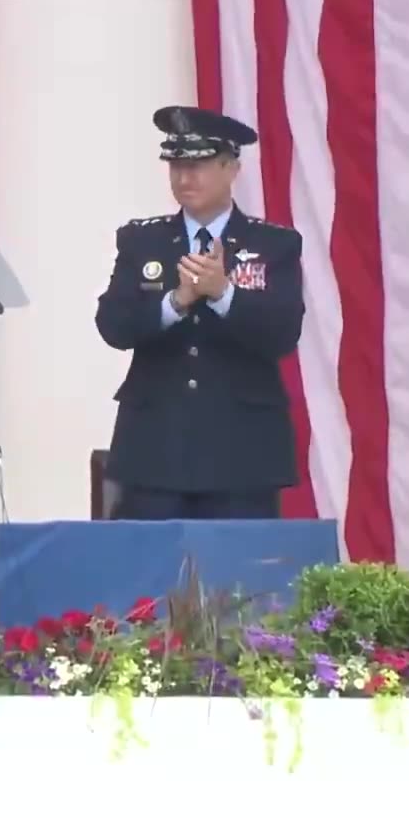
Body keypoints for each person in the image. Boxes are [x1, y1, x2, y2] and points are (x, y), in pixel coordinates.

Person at [95, 104, 305, 520]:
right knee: (148, 578)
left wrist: (223, 293)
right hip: (155, 449)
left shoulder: (275, 244)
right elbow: (114, 325)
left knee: (242, 580)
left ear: (231, 169)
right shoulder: (143, 241)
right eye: (176, 166)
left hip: (241, 453)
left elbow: (283, 333)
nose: (184, 178)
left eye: (198, 166)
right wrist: (176, 301)